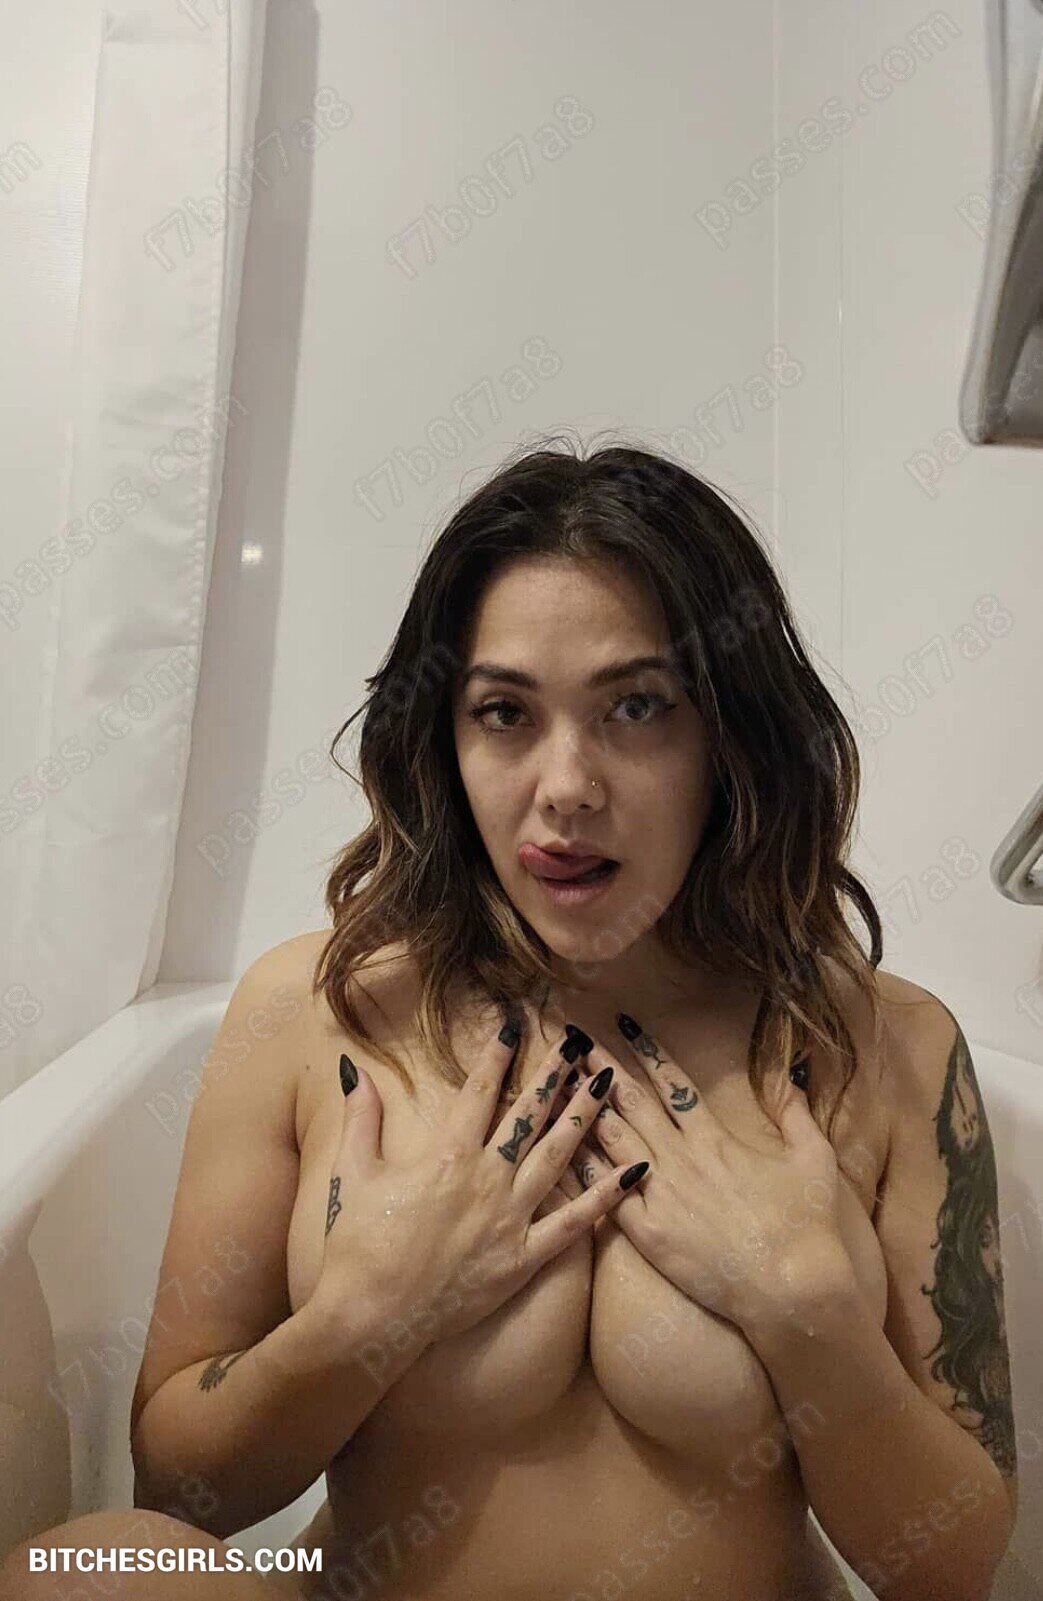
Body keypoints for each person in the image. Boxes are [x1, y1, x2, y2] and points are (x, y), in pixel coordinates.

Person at [1, 438, 1018, 1601]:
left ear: (729, 735)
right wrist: (364, 1317)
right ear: (444, 737)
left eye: (635, 706)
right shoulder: (316, 1014)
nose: (565, 785)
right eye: (503, 711)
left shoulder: (879, 1049)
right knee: (80, 1566)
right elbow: (179, 1487)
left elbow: (951, 1573)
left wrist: (810, 1322)